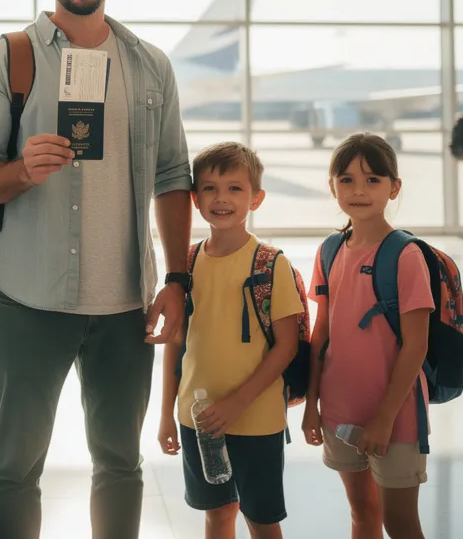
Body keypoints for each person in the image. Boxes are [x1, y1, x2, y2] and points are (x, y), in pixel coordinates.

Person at [0, 0, 193, 539]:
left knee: (119, 462)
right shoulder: (6, 59)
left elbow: (174, 176)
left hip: (124, 304)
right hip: (29, 299)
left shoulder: (150, 65)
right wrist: (20, 171)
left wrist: (178, 277)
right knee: (15, 465)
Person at [158, 142, 305, 539]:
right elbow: (175, 344)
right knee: (217, 514)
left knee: (261, 519)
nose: (221, 199)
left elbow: (286, 347)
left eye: (235, 189)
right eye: (209, 188)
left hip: (256, 419)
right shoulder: (184, 265)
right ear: (194, 198)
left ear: (256, 198)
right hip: (197, 419)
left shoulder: (271, 264)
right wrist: (166, 414)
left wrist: (237, 402)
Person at [302, 133, 432, 539]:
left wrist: (385, 418)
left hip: (396, 415)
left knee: (399, 522)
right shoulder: (330, 250)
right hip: (340, 410)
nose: (359, 190)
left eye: (373, 180)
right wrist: (311, 404)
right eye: (347, 180)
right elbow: (320, 335)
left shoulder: (406, 255)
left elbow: (416, 345)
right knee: (361, 512)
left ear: (394, 188)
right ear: (332, 186)